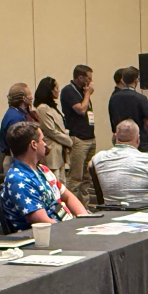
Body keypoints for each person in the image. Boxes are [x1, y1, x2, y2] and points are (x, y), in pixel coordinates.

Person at [0, 122, 87, 231]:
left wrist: (85, 219)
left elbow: (68, 197)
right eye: (42, 140)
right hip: (46, 235)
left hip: (62, 226)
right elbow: (43, 222)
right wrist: (75, 229)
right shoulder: (18, 180)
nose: (45, 144)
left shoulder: (42, 170)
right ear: (34, 144)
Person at [60, 65, 97, 206]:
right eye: (89, 79)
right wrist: (87, 94)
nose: (90, 82)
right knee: (76, 177)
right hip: (78, 139)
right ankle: (72, 208)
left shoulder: (82, 91)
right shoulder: (69, 91)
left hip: (90, 137)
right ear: (80, 77)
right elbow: (81, 109)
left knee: (87, 178)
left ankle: (84, 207)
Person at [33, 76, 73, 175]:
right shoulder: (42, 108)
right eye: (56, 87)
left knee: (62, 180)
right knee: (53, 179)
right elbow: (50, 131)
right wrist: (68, 140)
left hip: (60, 149)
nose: (58, 90)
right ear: (50, 90)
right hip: (52, 151)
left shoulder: (52, 107)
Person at [108, 67, 148, 150]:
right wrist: (143, 134)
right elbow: (147, 122)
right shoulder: (141, 98)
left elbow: (112, 118)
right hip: (139, 141)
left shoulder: (113, 98)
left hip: (120, 140)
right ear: (136, 80)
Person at [0, 83, 36, 171]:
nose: (31, 97)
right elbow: (15, 145)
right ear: (24, 98)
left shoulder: (14, 113)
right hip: (15, 161)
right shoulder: (15, 118)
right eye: (29, 95)